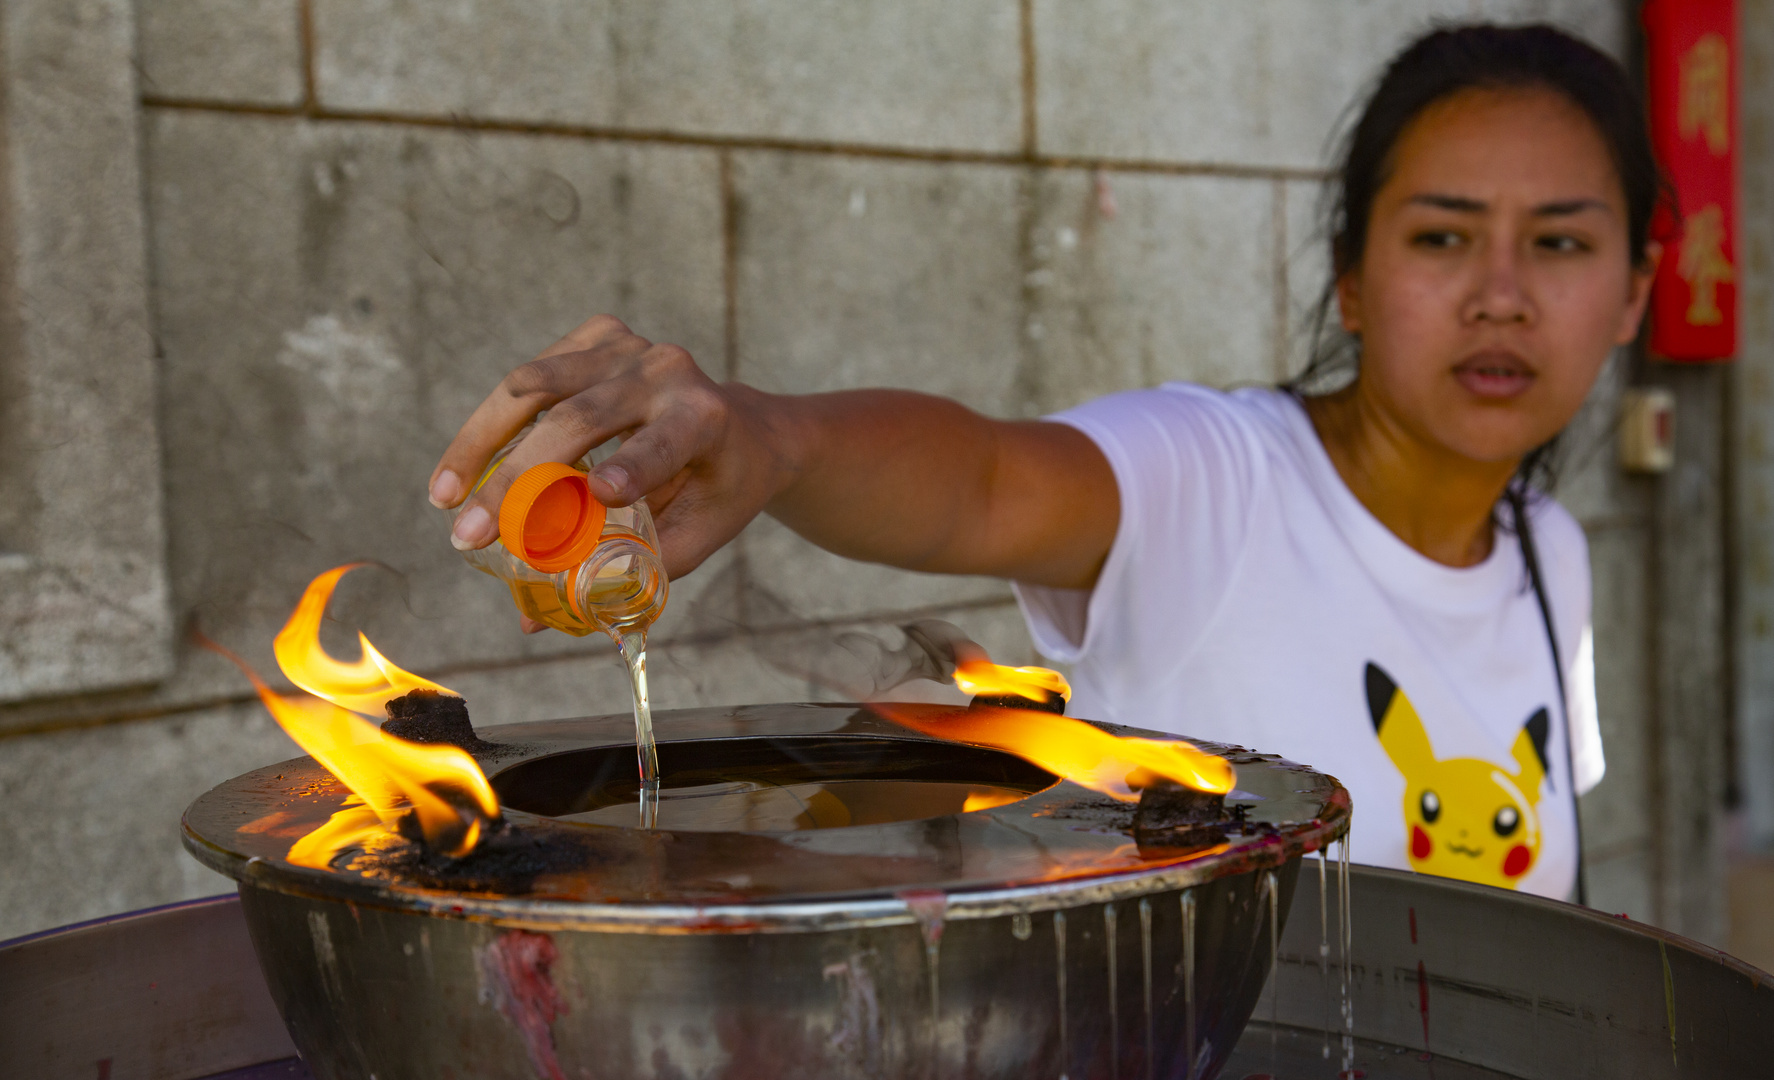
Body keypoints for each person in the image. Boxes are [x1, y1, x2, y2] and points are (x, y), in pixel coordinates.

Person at [428, 24, 1661, 902]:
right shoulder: (1218, 479)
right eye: (1442, 235)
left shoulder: (1550, 552)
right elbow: (982, 481)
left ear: (1632, 294)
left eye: (1559, 243)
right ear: (1350, 275)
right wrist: (772, 439)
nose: (1501, 297)